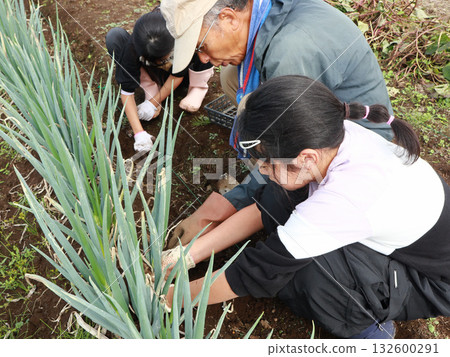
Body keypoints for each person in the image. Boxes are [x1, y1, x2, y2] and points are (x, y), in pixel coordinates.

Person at [162, 75, 450, 339]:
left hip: (431, 281)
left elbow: (256, 272)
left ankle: (369, 330)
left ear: (307, 157)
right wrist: (186, 256)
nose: (261, 170)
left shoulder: (347, 195)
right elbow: (264, 208)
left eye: (266, 162)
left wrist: (171, 297)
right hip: (394, 238)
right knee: (278, 194)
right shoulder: (330, 135)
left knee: (310, 274)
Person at [160, 0, 395, 248]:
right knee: (231, 76)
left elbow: (290, 146)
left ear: (229, 18)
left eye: (201, 46)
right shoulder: (264, 10)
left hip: (361, 144)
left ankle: (275, 180)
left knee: (280, 182)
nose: (204, 59)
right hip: (325, 111)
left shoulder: (291, 53)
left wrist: (219, 208)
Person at [105, 7, 214, 152]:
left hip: (184, 72)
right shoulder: (135, 46)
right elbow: (127, 92)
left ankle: (197, 87)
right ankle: (149, 84)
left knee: (203, 35)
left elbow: (177, 76)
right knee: (115, 37)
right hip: (155, 72)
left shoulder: (181, 28)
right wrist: (139, 133)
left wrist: (153, 102)